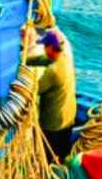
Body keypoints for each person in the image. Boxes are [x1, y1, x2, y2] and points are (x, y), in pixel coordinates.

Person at [33, 28, 77, 160]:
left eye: (45, 46)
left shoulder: (52, 72)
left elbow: (34, 90)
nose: (43, 49)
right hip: (69, 118)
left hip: (53, 125)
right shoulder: (66, 58)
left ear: (51, 48)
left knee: (46, 157)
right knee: (62, 153)